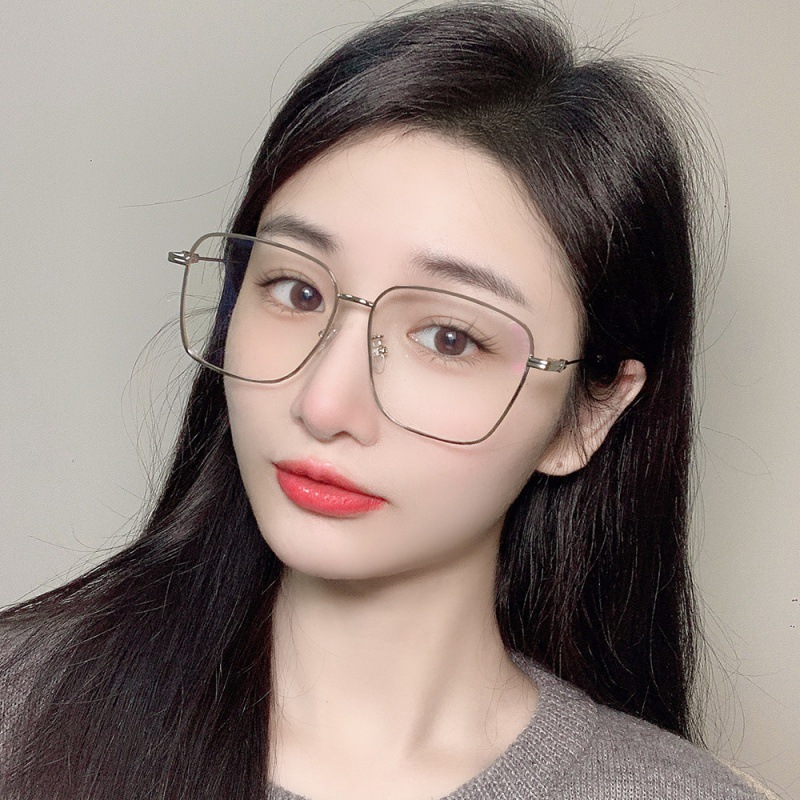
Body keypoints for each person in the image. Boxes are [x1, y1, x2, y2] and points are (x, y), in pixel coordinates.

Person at [0, 3, 782, 799]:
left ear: (588, 414)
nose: (323, 403)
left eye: (449, 337)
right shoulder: (20, 716)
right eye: (297, 290)